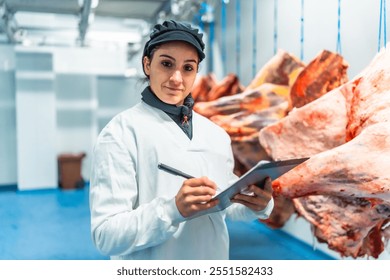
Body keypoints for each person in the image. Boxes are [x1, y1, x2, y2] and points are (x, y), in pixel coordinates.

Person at [89, 20, 274, 260]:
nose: (177, 78)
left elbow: (223, 208)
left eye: (188, 68)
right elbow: (106, 236)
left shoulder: (215, 135)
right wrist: (172, 210)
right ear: (147, 64)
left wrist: (256, 205)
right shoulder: (120, 133)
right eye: (166, 64)